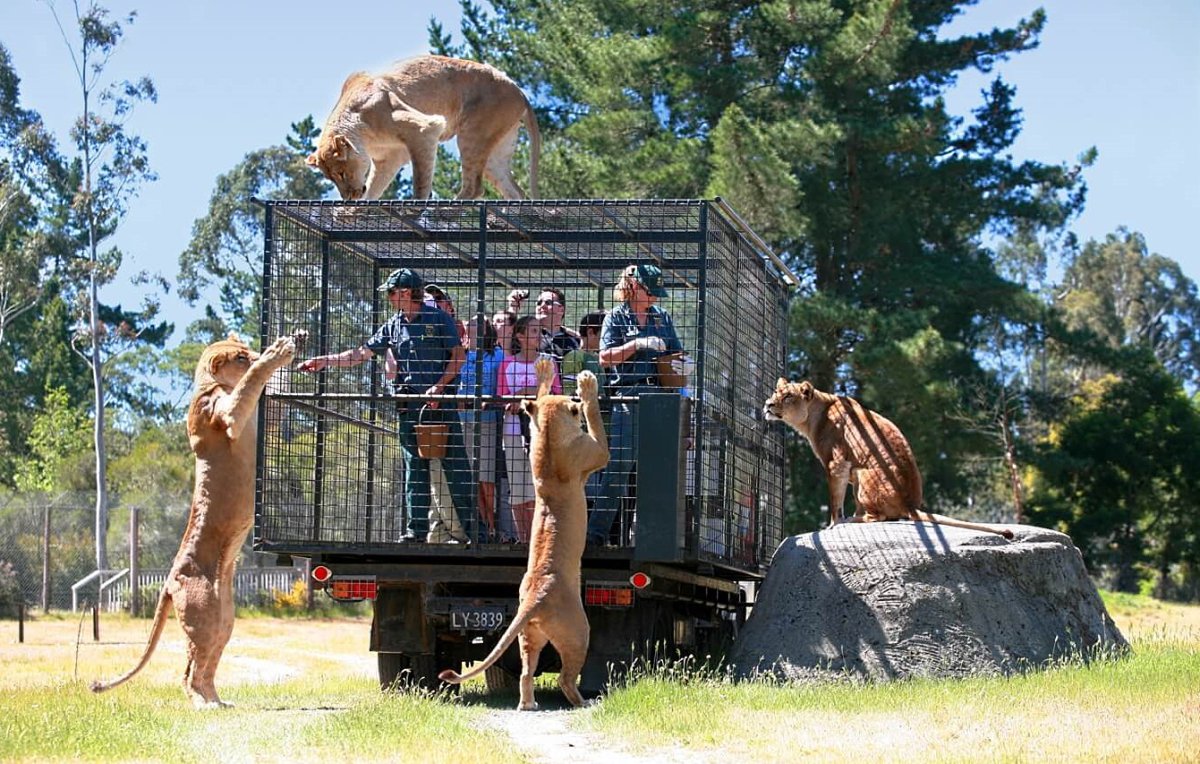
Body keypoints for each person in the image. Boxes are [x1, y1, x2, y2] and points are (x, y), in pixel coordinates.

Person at [297, 267, 481, 543]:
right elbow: (360, 354)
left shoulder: (439, 319)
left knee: (456, 469)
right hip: (409, 408)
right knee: (414, 471)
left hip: (440, 406)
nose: (390, 298)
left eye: (392, 293)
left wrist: (439, 386)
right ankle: (415, 532)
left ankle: (472, 532)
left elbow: (458, 357)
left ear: (406, 293)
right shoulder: (393, 325)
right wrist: (325, 360)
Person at [586, 264, 685, 546]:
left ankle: (656, 538)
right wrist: (637, 344)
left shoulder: (662, 317)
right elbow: (604, 357)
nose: (654, 297)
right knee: (619, 465)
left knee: (658, 468)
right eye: (649, 291)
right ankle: (595, 535)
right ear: (633, 288)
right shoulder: (616, 318)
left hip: (659, 398)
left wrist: (679, 362)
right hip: (628, 396)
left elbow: (677, 353)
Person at [498, 314, 561, 542]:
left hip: (542, 431)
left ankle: (539, 538)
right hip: (514, 431)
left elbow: (553, 392)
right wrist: (529, 393)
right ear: (520, 336)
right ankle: (523, 538)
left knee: (539, 485)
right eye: (533, 331)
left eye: (539, 331)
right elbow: (503, 397)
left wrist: (523, 395)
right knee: (518, 485)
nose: (538, 336)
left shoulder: (547, 361)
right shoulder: (507, 363)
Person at [459, 313, 504, 541]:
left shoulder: (497, 354)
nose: (473, 325)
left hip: (487, 422)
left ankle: (493, 525)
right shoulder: (461, 353)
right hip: (463, 419)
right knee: (472, 478)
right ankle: (481, 529)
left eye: (479, 323)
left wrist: (490, 399)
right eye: (471, 322)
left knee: (487, 478)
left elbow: (503, 385)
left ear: (486, 329)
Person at [560, 310, 606, 396]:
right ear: (590, 332)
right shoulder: (574, 356)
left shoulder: (598, 357)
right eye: (605, 334)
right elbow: (569, 392)